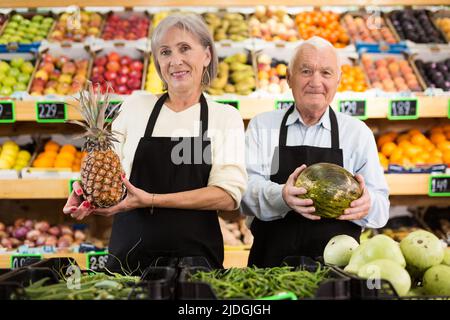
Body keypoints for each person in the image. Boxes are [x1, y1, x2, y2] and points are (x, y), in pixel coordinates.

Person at [63, 14, 247, 273]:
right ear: (157, 61)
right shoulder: (135, 107)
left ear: (206, 55)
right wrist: (87, 196)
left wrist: (150, 199)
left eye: (184, 49)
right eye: (165, 52)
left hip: (196, 260)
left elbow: (228, 196)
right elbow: (112, 175)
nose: (175, 61)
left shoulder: (224, 117)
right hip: (129, 259)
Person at [241, 36, 389, 267]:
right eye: (306, 71)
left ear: (338, 80)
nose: (315, 81)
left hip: (338, 271)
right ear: (289, 78)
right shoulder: (263, 126)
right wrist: (281, 196)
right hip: (270, 267)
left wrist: (367, 204)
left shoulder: (357, 133)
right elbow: (242, 192)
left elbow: (382, 206)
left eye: (326, 73)